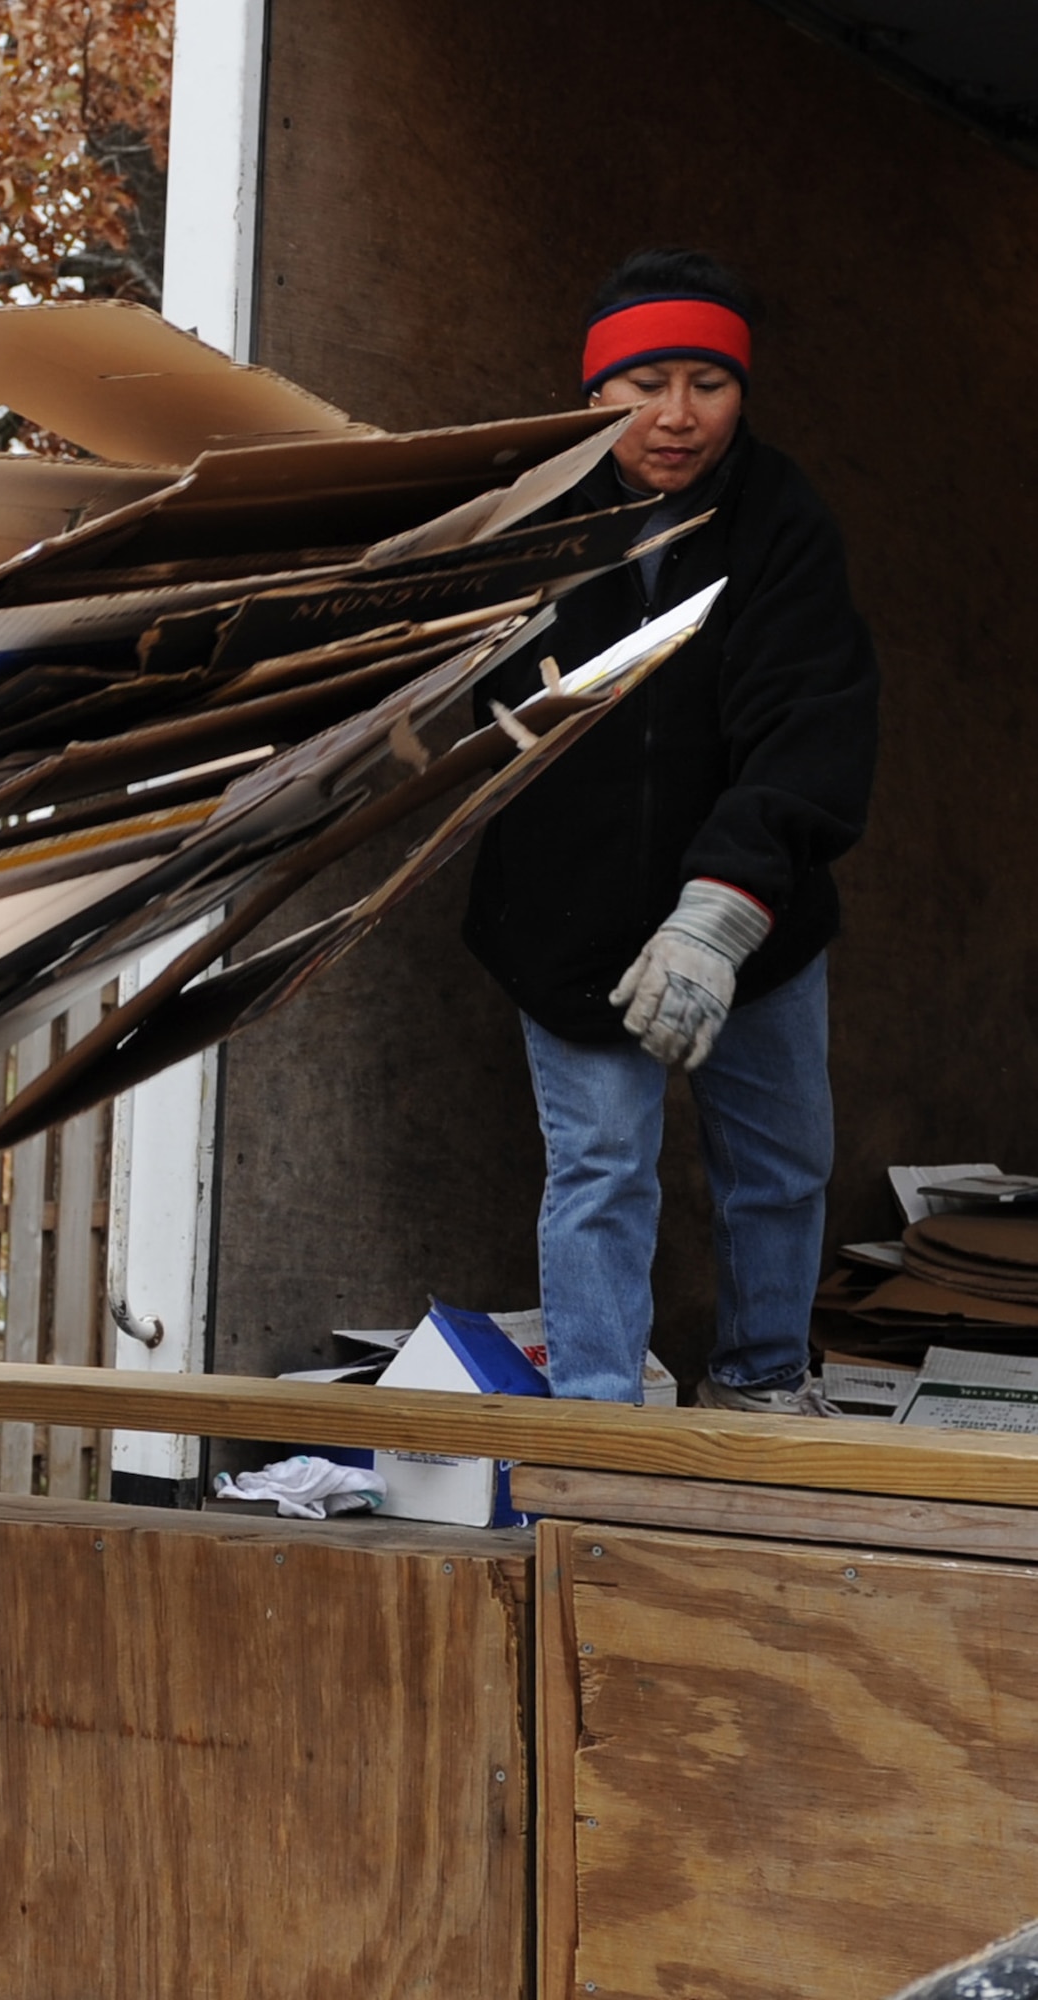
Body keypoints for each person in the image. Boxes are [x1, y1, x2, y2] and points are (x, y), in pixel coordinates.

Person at [464, 246, 879, 1416]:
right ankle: (599, 1420)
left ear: (743, 392)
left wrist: (722, 910)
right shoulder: (523, 516)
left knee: (781, 1171)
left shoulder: (781, 517)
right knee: (599, 1171)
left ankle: (758, 1390)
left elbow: (810, 721)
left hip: (752, 913)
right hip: (568, 905)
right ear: (592, 390)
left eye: (708, 380)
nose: (677, 415)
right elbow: (463, 711)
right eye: (644, 382)